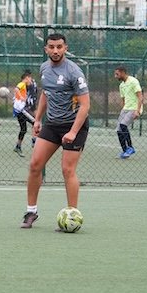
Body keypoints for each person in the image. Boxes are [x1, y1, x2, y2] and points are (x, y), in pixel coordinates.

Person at [22, 33, 90, 229]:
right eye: (51, 47)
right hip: (52, 124)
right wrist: (38, 119)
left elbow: (85, 105)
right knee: (35, 165)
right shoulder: (44, 68)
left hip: (74, 125)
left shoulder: (74, 72)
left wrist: (73, 132)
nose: (55, 50)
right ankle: (31, 212)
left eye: (59, 47)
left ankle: (72, 215)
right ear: (46, 49)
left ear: (65, 48)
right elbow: (46, 93)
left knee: (67, 170)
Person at [114, 65, 143, 159]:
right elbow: (123, 100)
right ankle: (124, 150)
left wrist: (137, 111)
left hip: (134, 108)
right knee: (119, 130)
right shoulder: (121, 85)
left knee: (123, 125)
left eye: (117, 74)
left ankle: (130, 147)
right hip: (125, 109)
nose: (115, 76)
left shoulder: (133, 81)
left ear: (123, 72)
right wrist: (122, 111)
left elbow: (140, 96)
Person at [12, 70, 38, 156]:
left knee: (23, 129)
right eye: (30, 78)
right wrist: (21, 97)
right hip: (21, 110)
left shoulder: (25, 86)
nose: (31, 80)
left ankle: (18, 146)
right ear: (26, 78)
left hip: (19, 110)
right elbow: (16, 89)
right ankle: (36, 143)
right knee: (35, 123)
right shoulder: (22, 84)